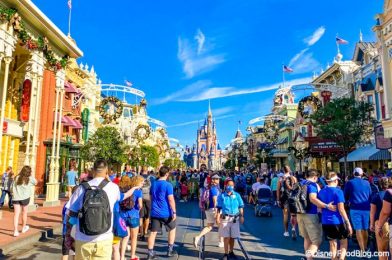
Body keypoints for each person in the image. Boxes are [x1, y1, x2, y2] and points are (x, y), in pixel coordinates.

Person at [66, 159, 141, 260]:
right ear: (106, 171)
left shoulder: (81, 188)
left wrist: (68, 235)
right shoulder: (113, 188)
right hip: (104, 239)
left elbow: (70, 213)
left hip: (83, 238)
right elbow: (124, 196)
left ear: (93, 170)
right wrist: (134, 188)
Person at [298, 169, 335, 260]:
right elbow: (312, 199)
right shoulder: (312, 185)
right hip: (311, 214)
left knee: (307, 238)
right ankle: (307, 258)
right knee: (317, 241)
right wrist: (326, 206)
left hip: (300, 213)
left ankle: (309, 258)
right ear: (315, 177)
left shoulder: (299, 183)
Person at [318, 172, 352, 260]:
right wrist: (348, 223)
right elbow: (341, 209)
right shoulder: (338, 191)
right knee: (344, 242)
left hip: (326, 221)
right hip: (338, 221)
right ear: (336, 180)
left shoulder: (321, 192)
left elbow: (319, 208)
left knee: (332, 244)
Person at [147, 166, 177, 260]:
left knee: (153, 233)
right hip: (166, 212)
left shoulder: (154, 184)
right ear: (167, 174)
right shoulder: (168, 185)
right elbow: (171, 199)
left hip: (155, 212)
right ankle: (170, 250)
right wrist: (174, 212)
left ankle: (150, 253)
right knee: (172, 228)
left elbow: (151, 197)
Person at [344, 167, 372, 254]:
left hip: (355, 208)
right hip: (366, 208)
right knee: (365, 228)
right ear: (362, 174)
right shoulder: (367, 183)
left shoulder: (350, 183)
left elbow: (345, 196)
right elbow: (370, 195)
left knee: (358, 229)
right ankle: (366, 246)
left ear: (353, 174)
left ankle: (362, 250)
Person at [216, 180, 244, 260]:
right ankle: (226, 253)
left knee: (232, 237)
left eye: (232, 185)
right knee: (226, 237)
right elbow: (219, 208)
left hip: (235, 218)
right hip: (225, 218)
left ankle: (231, 252)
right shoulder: (222, 196)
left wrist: (242, 216)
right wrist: (217, 217)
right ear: (225, 186)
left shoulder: (237, 195)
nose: (230, 187)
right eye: (229, 185)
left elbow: (241, 206)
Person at [194, 174, 222, 248]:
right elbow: (215, 200)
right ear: (215, 180)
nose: (219, 180)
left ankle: (198, 237)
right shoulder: (214, 189)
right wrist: (217, 212)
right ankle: (221, 242)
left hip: (208, 209)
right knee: (221, 226)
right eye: (218, 179)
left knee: (209, 226)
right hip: (214, 209)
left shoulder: (208, 188)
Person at [119, 176, 143, 260]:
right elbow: (140, 205)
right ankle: (132, 255)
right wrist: (138, 209)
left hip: (124, 216)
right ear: (138, 183)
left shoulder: (127, 190)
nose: (142, 184)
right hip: (134, 216)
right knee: (134, 238)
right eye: (141, 182)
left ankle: (122, 256)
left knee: (125, 237)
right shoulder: (138, 191)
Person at [12, 165, 37, 237]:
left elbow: (12, 187)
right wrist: (31, 176)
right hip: (25, 198)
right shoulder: (29, 178)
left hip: (16, 197)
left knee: (16, 214)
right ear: (29, 172)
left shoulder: (17, 177)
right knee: (24, 213)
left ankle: (15, 231)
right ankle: (23, 228)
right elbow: (36, 182)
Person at [370, 177, 390, 260]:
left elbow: (372, 212)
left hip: (381, 223)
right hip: (390, 222)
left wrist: (371, 224)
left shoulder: (376, 196)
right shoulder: (390, 194)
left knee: (382, 249)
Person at [277, 166, 297, 239]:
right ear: (289, 170)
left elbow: (278, 190)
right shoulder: (294, 178)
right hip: (292, 198)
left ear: (283, 170)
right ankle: (294, 228)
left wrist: (278, 199)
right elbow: (296, 188)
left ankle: (286, 231)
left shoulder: (281, 179)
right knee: (293, 215)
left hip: (284, 198)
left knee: (285, 215)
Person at [140, 169, 153, 241]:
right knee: (147, 216)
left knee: (141, 216)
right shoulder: (151, 178)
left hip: (140, 197)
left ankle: (141, 233)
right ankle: (145, 231)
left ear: (142, 171)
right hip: (148, 198)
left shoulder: (139, 177)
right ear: (147, 171)